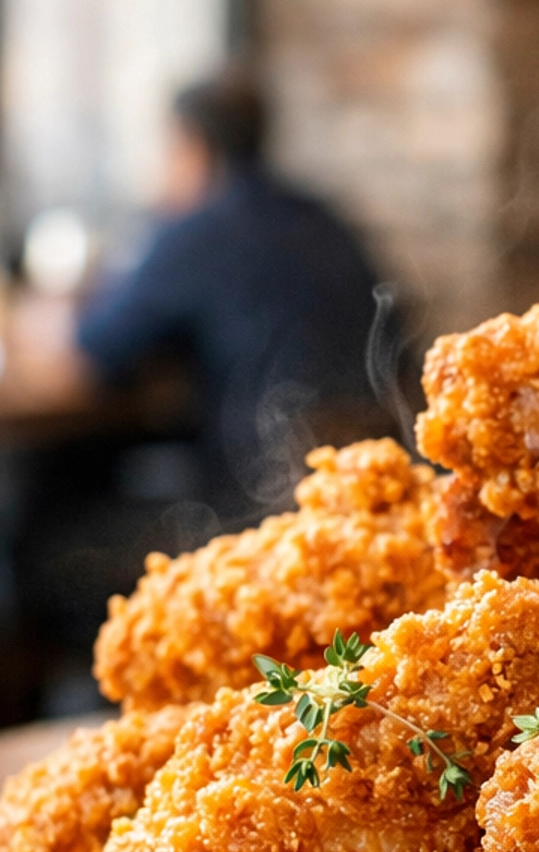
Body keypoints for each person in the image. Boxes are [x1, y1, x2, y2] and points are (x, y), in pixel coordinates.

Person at [77, 65, 386, 520]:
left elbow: (100, 348)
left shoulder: (198, 231)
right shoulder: (323, 218)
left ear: (192, 144)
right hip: (366, 484)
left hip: (255, 494)